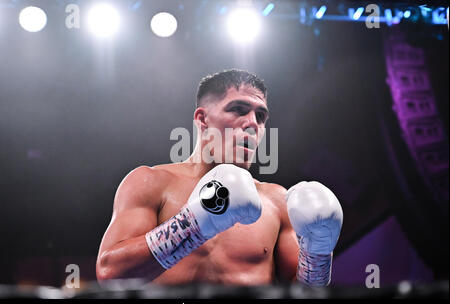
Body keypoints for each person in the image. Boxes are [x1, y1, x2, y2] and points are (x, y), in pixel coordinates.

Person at [96, 69, 343, 286]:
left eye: (260, 116)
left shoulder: (278, 202)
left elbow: (307, 296)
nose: (252, 124)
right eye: (238, 110)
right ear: (203, 119)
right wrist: (191, 225)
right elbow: (109, 271)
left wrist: (318, 254)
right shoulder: (152, 182)